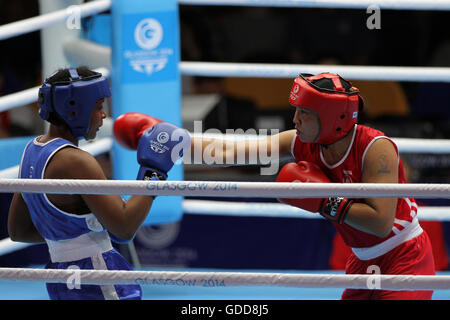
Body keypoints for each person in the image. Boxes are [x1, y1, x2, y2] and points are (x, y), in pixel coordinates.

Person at [188, 72, 436, 300]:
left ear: (331, 117)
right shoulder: (299, 142)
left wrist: (324, 201)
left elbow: (380, 224)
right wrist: (177, 143)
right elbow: (229, 150)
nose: (295, 119)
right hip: (362, 261)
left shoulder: (375, 148)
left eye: (304, 112)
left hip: (405, 257)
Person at [7, 66, 190, 300]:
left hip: (59, 276)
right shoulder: (76, 161)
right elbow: (123, 228)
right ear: (74, 109)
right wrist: (152, 174)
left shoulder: (31, 151)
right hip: (98, 273)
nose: (103, 115)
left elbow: (18, 231)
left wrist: (72, 237)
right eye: (99, 107)